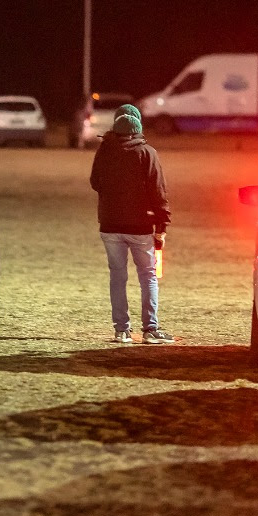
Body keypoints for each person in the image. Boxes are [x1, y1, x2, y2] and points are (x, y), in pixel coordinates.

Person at [89, 104, 174, 344]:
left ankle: (122, 330)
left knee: (117, 276)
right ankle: (150, 329)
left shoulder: (104, 151)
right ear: (138, 130)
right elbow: (159, 192)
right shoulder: (147, 153)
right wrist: (162, 227)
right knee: (147, 275)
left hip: (109, 224)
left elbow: (95, 182)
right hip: (140, 226)